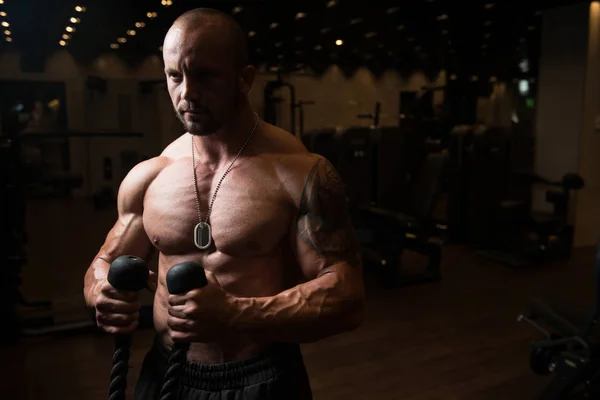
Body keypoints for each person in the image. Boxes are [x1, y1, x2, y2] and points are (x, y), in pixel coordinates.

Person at [83, 7, 366, 400]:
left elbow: (347, 296)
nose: (187, 93)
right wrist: (100, 291)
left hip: (261, 377)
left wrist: (235, 314)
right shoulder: (150, 175)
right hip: (166, 372)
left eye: (205, 75)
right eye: (174, 76)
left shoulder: (300, 172)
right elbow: (102, 263)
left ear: (244, 79)